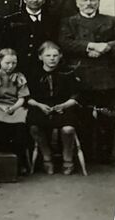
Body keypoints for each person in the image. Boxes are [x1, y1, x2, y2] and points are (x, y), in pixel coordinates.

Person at [59, 0, 115, 163]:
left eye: (92, 0)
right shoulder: (69, 22)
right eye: (84, 0)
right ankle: (87, 156)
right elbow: (65, 43)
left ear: (98, 2)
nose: (89, 4)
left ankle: (106, 156)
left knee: (108, 117)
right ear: (78, 3)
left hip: (109, 78)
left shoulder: (111, 21)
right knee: (83, 118)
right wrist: (90, 46)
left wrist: (106, 47)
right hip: (81, 78)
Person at [27, 42, 81, 175]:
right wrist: (39, 105)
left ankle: (67, 159)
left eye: (55, 55)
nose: (52, 58)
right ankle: (47, 157)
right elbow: (27, 96)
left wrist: (64, 105)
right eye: (48, 55)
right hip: (41, 107)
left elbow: (76, 95)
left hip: (64, 107)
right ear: (40, 57)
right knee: (34, 126)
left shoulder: (68, 72)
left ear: (60, 56)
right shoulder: (33, 73)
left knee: (68, 129)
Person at [0, 49, 30, 174]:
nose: (10, 66)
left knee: (20, 127)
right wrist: (1, 107)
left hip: (15, 106)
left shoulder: (19, 76)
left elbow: (22, 98)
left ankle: (19, 162)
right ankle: (1, 162)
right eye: (7, 63)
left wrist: (14, 108)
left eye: (14, 63)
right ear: (0, 61)